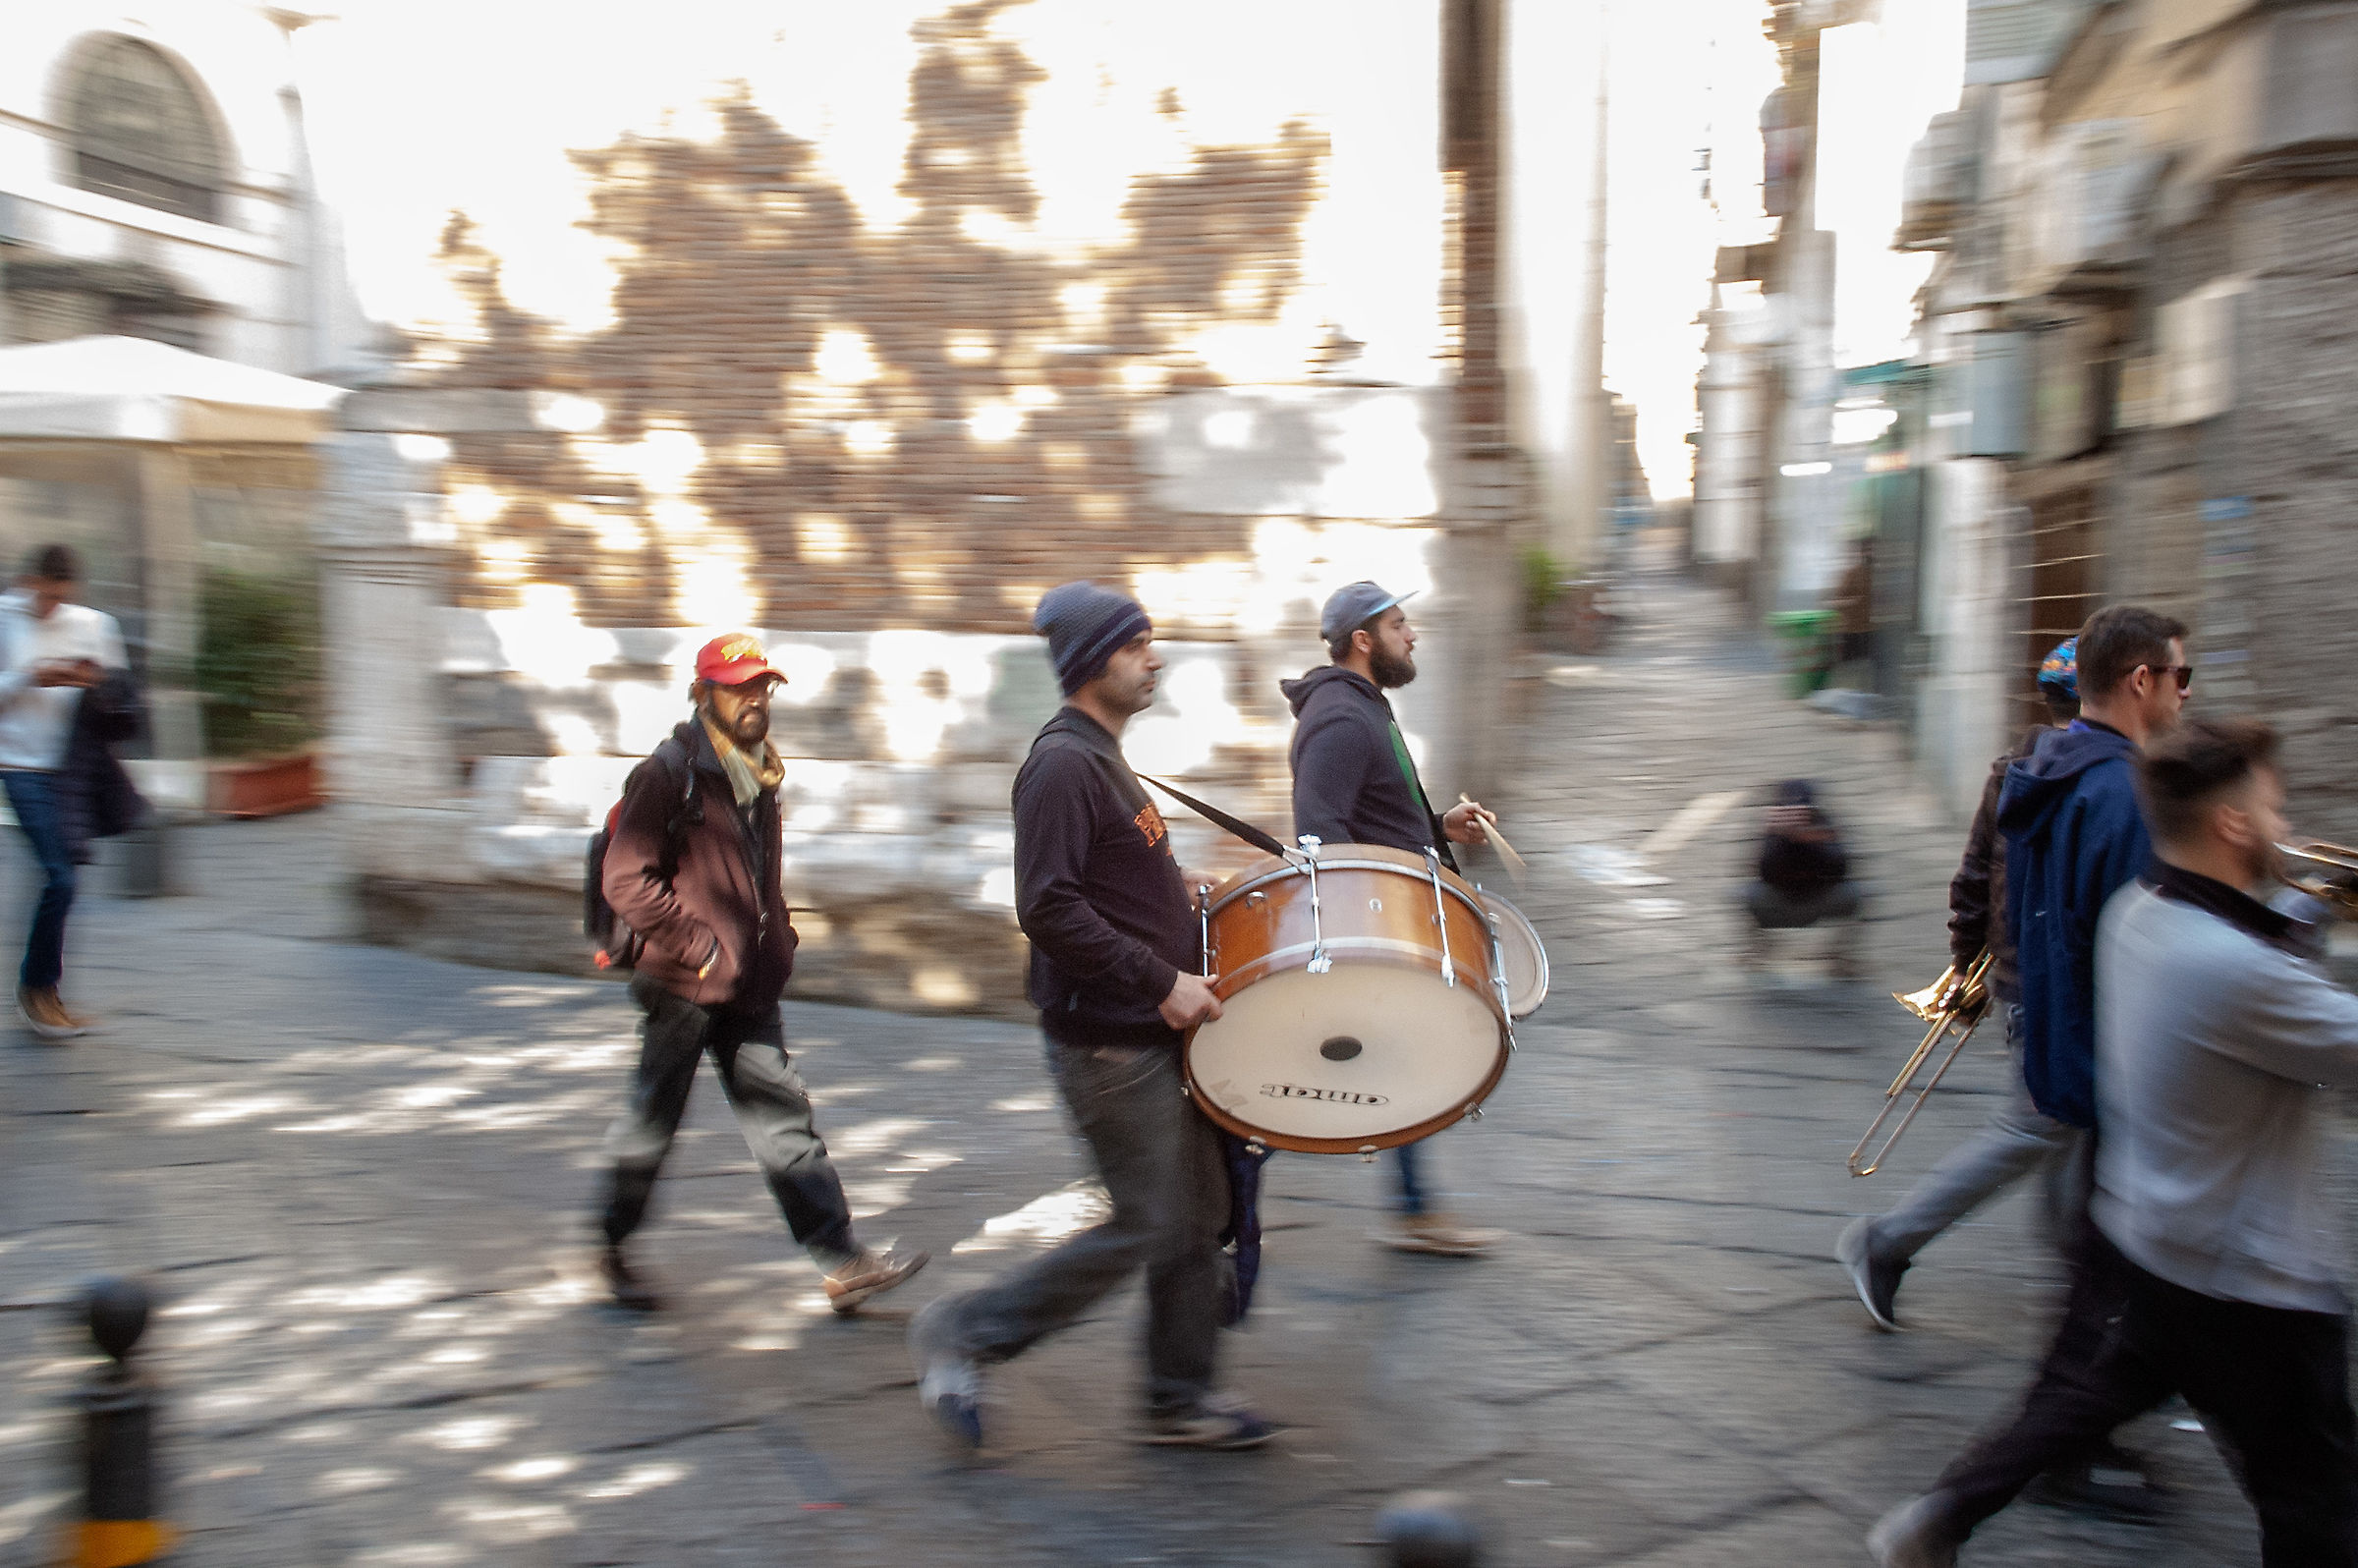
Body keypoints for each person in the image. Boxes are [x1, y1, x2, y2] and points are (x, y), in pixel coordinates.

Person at [1869, 717, 2358, 1568]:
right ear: (2232, 823)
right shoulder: (2235, 969)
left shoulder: (2142, 912)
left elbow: (2254, 957)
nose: (2286, 828)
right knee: (2318, 1512)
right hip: (2254, 1283)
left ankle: (1940, 1516)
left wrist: (2294, 912)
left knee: (2074, 1400)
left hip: (2146, 1238)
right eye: (2275, 809)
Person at [908, 583, 1269, 1451]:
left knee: (1198, 1207)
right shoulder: (1064, 764)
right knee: (1151, 1219)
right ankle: (965, 1331)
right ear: (1090, 662)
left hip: (1145, 1031)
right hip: (1110, 1043)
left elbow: (1102, 879)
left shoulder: (1102, 757)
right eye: (1137, 643)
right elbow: (1048, 907)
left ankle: (1178, 1398)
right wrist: (1161, 981)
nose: (1156, 657)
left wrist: (1172, 893)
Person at [592, 633, 926, 1315]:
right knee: (651, 1123)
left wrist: (779, 934)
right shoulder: (669, 772)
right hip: (684, 985)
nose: (754, 699)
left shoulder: (759, 771)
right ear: (702, 693)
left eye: (761, 687)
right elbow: (626, 879)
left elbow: (750, 873)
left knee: (784, 1121)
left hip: (746, 984)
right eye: (738, 686)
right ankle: (612, 1246)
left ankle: (841, 1260)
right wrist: (700, 948)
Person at [1836, 640, 2081, 1328]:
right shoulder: (2049, 774)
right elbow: (1981, 874)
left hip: (2026, 971)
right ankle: (1886, 1241)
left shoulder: (2015, 767)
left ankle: (2078, 1285)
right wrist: (1965, 970)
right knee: (2039, 1127)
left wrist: (1966, 956)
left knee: (2070, 1132)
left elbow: (1972, 875)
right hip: (2038, 979)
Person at [1280, 581, 1504, 1258]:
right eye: (1401, 624)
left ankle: (1411, 1210)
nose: (1413, 635)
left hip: (1389, 912)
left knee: (1388, 1061)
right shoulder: (1342, 719)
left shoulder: (1363, 708)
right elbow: (1321, 831)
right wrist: (1370, 926)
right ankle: (1407, 1210)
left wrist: (1437, 829)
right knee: (1325, 1063)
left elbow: (1375, 815)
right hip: (1374, 923)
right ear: (1363, 640)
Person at [0, 544, 128, 1039]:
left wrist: (91, 681)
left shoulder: (94, 626)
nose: (51, 606)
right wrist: (31, 676)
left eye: (61, 598)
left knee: (64, 877)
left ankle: (46, 994)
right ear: (28, 580)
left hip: (71, 772)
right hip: (18, 765)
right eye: (44, 596)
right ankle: (35, 992)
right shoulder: (5, 618)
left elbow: (115, 697)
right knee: (60, 878)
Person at [1739, 779, 1864, 978]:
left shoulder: (1822, 826)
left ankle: (1839, 955)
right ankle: (1759, 947)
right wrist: (1782, 839)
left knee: (1860, 893)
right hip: (1779, 904)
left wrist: (1812, 840)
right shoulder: (1774, 829)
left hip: (1821, 901)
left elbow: (1842, 869)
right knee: (1744, 894)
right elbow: (1764, 873)